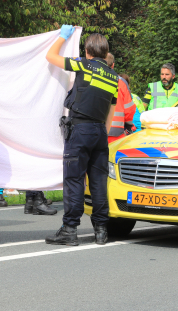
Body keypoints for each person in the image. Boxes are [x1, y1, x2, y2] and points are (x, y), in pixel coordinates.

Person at [44, 26, 119, 246]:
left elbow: (50, 56)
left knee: (74, 181)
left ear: (87, 51)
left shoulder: (83, 64)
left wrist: (62, 37)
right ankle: (101, 230)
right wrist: (101, 132)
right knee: (98, 182)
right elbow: (111, 112)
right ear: (105, 54)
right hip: (99, 133)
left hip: (80, 130)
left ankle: (69, 230)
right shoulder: (113, 77)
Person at [106, 53, 136, 142]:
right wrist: (129, 125)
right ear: (113, 65)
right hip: (116, 133)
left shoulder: (91, 78)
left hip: (95, 131)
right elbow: (129, 109)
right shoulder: (121, 82)